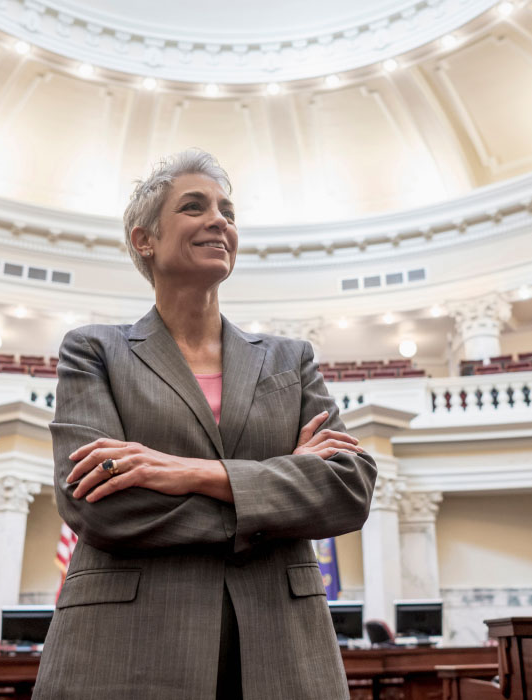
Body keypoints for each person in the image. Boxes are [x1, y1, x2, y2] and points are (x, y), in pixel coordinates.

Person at [33, 149, 377, 700]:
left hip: (283, 649)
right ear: (144, 239)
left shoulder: (292, 359)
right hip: (126, 648)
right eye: (194, 207)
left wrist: (190, 473)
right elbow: (96, 502)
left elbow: (348, 490)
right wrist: (278, 488)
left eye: (228, 211)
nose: (220, 220)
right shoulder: (93, 350)